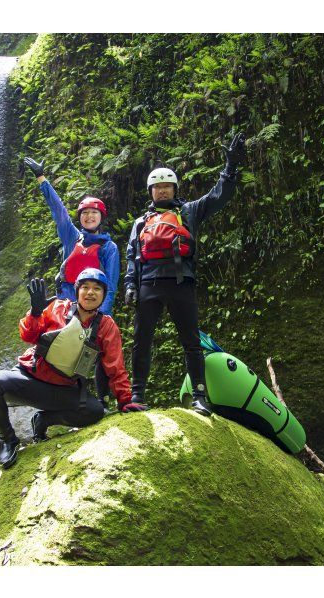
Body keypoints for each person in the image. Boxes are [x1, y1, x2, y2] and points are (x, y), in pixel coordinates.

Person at [124, 133, 247, 417]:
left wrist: (230, 168)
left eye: (167, 186)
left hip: (181, 284)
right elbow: (132, 254)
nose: (163, 191)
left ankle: (200, 396)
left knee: (191, 341)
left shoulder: (189, 211)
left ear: (175, 189)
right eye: (158, 187)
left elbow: (219, 196)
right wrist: (130, 285)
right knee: (142, 340)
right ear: (150, 192)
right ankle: (137, 394)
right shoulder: (140, 222)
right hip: (148, 285)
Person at [0, 268, 147, 469]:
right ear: (77, 291)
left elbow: (115, 366)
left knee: (95, 411)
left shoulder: (106, 326)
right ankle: (9, 439)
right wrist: (35, 312)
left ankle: (43, 420)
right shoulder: (58, 307)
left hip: (62, 389)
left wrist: (125, 400)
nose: (90, 292)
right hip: (29, 379)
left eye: (96, 289)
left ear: (103, 295)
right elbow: (28, 335)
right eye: (85, 287)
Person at [23, 156, 120, 404]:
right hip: (66, 303)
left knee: (95, 351)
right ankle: (57, 396)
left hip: (93, 307)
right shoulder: (71, 238)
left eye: (93, 213)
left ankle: (102, 399)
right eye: (85, 213)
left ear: (101, 217)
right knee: (58, 349)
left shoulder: (108, 248)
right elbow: (59, 211)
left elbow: (111, 282)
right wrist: (42, 179)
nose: (89, 217)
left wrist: (102, 316)